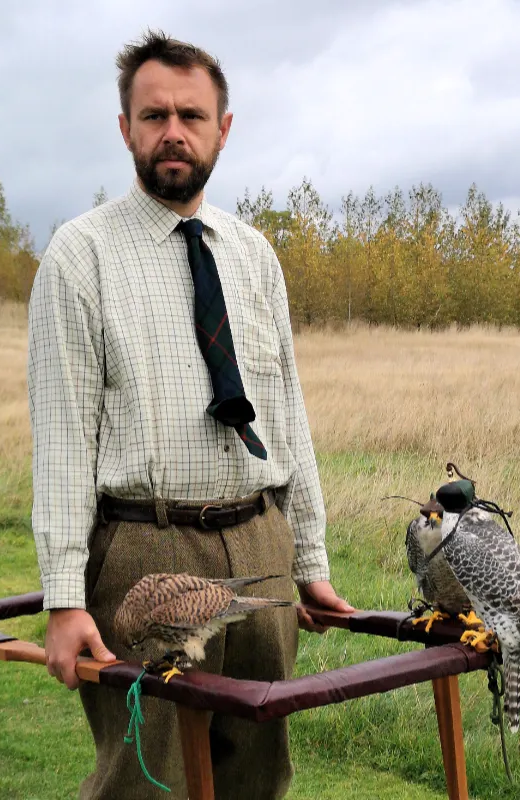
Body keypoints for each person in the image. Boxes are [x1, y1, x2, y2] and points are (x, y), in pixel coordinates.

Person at [26, 28, 353, 800]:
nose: (173, 131)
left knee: (257, 773)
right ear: (125, 128)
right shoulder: (80, 257)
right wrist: (65, 598)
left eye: (192, 115)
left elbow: (287, 417)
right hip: (144, 552)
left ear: (223, 129)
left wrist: (308, 563)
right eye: (154, 115)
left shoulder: (253, 256)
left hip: (258, 542)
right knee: (147, 781)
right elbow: (64, 442)